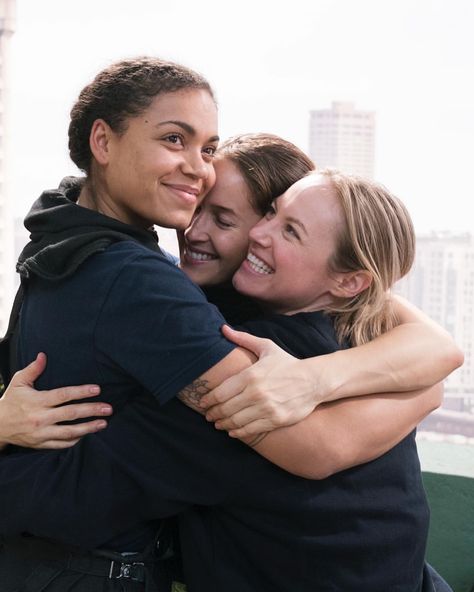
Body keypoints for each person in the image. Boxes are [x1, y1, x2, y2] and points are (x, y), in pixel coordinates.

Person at [0, 61, 460, 590]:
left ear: (345, 278)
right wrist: (426, 386)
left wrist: (419, 382)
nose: (192, 226)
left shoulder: (252, 352)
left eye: (230, 220)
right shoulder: (343, 332)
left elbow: (103, 478)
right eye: (201, 206)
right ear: (102, 142)